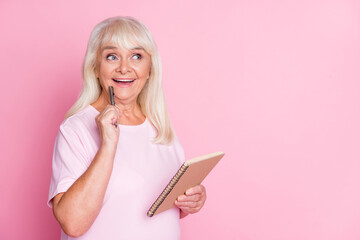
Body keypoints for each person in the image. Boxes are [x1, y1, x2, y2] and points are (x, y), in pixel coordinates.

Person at [47, 16, 207, 239]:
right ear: (95, 67)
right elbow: (73, 223)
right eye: (112, 56)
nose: (124, 67)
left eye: (136, 56)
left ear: (149, 69)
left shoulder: (160, 128)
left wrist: (191, 200)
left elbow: (146, 207)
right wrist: (108, 146)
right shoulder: (75, 129)